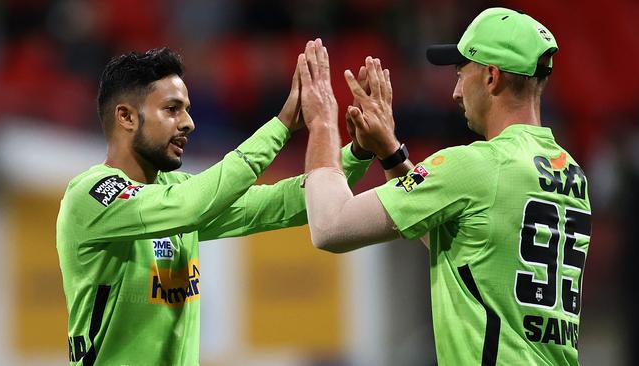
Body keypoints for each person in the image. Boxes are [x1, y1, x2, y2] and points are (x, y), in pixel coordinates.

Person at [56, 47, 384, 365]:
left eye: (186, 109)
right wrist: (281, 127)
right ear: (126, 116)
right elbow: (192, 207)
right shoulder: (93, 194)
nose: (188, 123)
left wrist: (358, 153)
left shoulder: (176, 191)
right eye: (172, 109)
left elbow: (281, 204)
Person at [300, 8, 591, 365]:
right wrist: (392, 154)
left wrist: (321, 123)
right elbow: (462, 246)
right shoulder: (570, 173)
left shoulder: (476, 165)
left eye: (461, 72)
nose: (455, 92)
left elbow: (330, 226)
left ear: (491, 77)